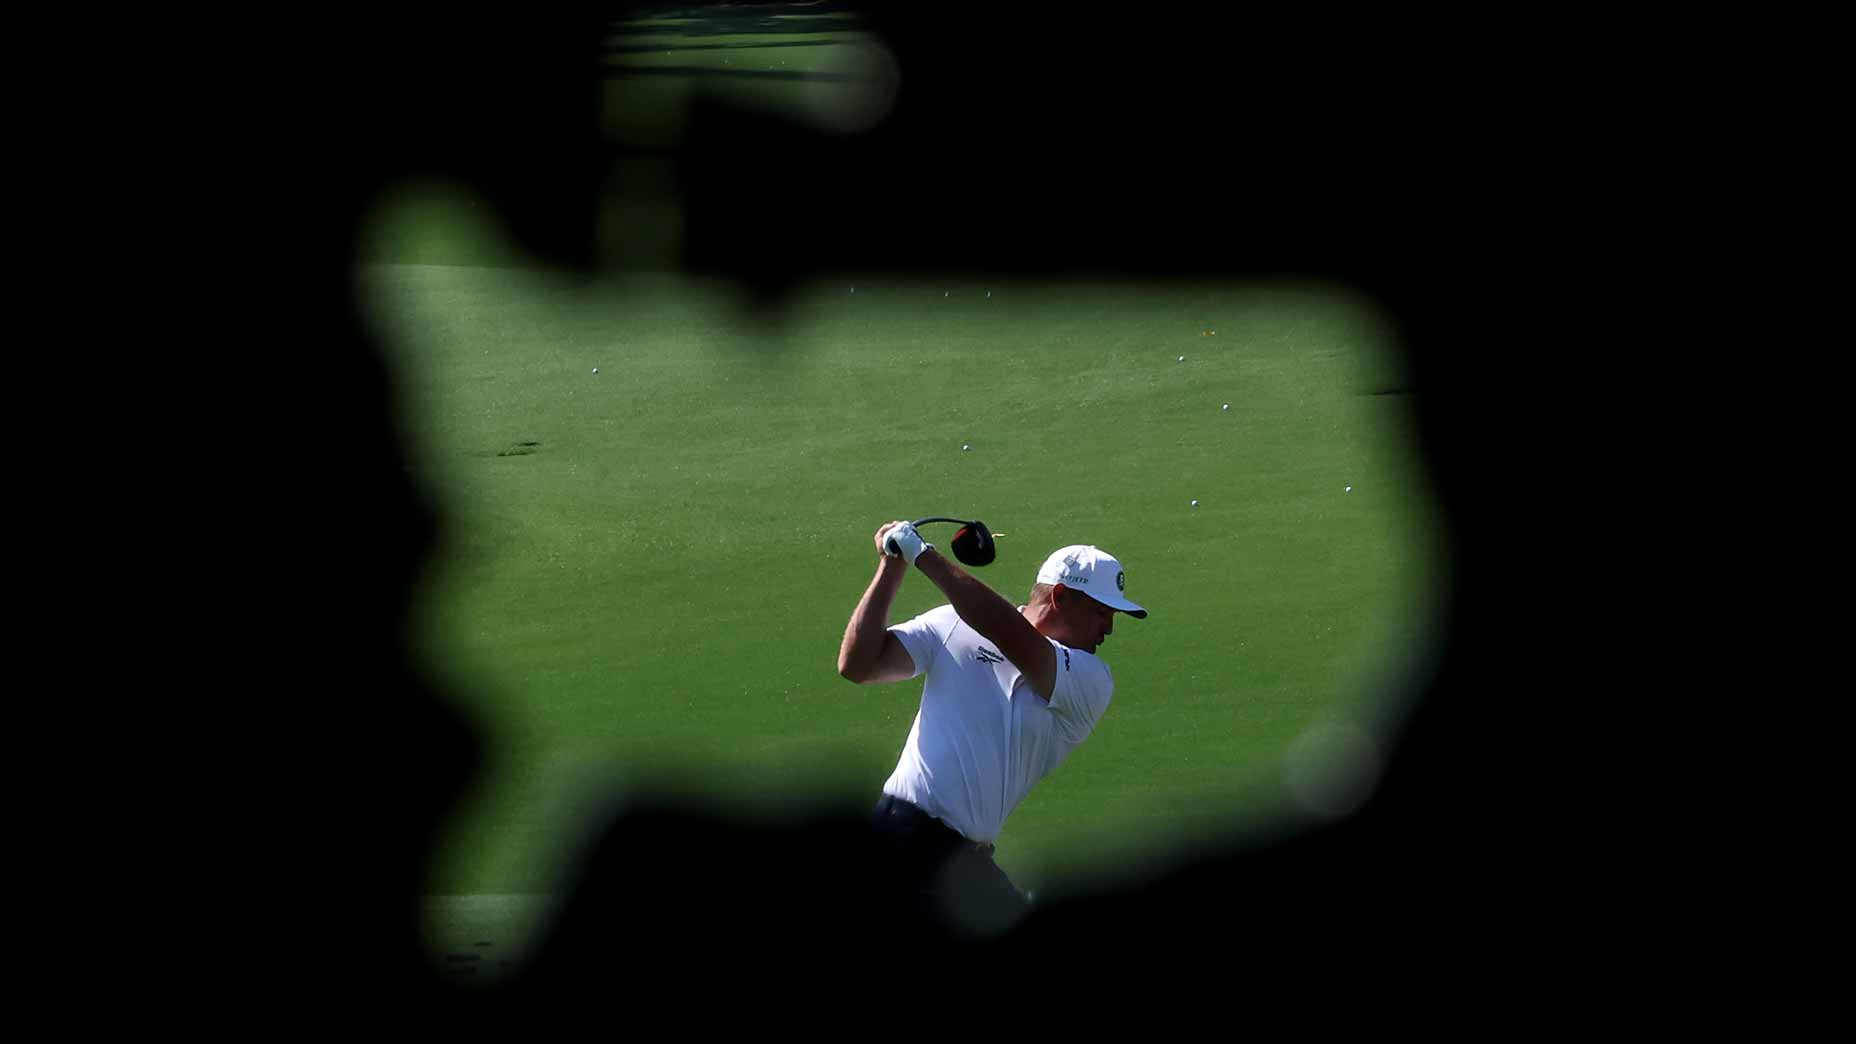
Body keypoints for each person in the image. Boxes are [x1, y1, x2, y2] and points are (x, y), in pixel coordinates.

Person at [836, 519, 1148, 939]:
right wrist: (893, 566)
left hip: (959, 861)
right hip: (899, 836)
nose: (1108, 628)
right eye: (1101, 611)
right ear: (1060, 596)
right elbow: (858, 665)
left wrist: (923, 555)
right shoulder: (953, 623)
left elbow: (1010, 635)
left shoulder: (1091, 680)